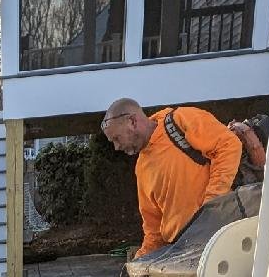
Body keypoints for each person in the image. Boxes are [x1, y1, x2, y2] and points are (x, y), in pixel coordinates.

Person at [100, 98, 242, 257]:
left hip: (220, 233)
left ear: (132, 122)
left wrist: (213, 202)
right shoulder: (142, 168)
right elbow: (153, 229)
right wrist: (141, 260)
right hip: (185, 249)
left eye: (116, 139)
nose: (116, 147)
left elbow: (229, 145)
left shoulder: (181, 120)